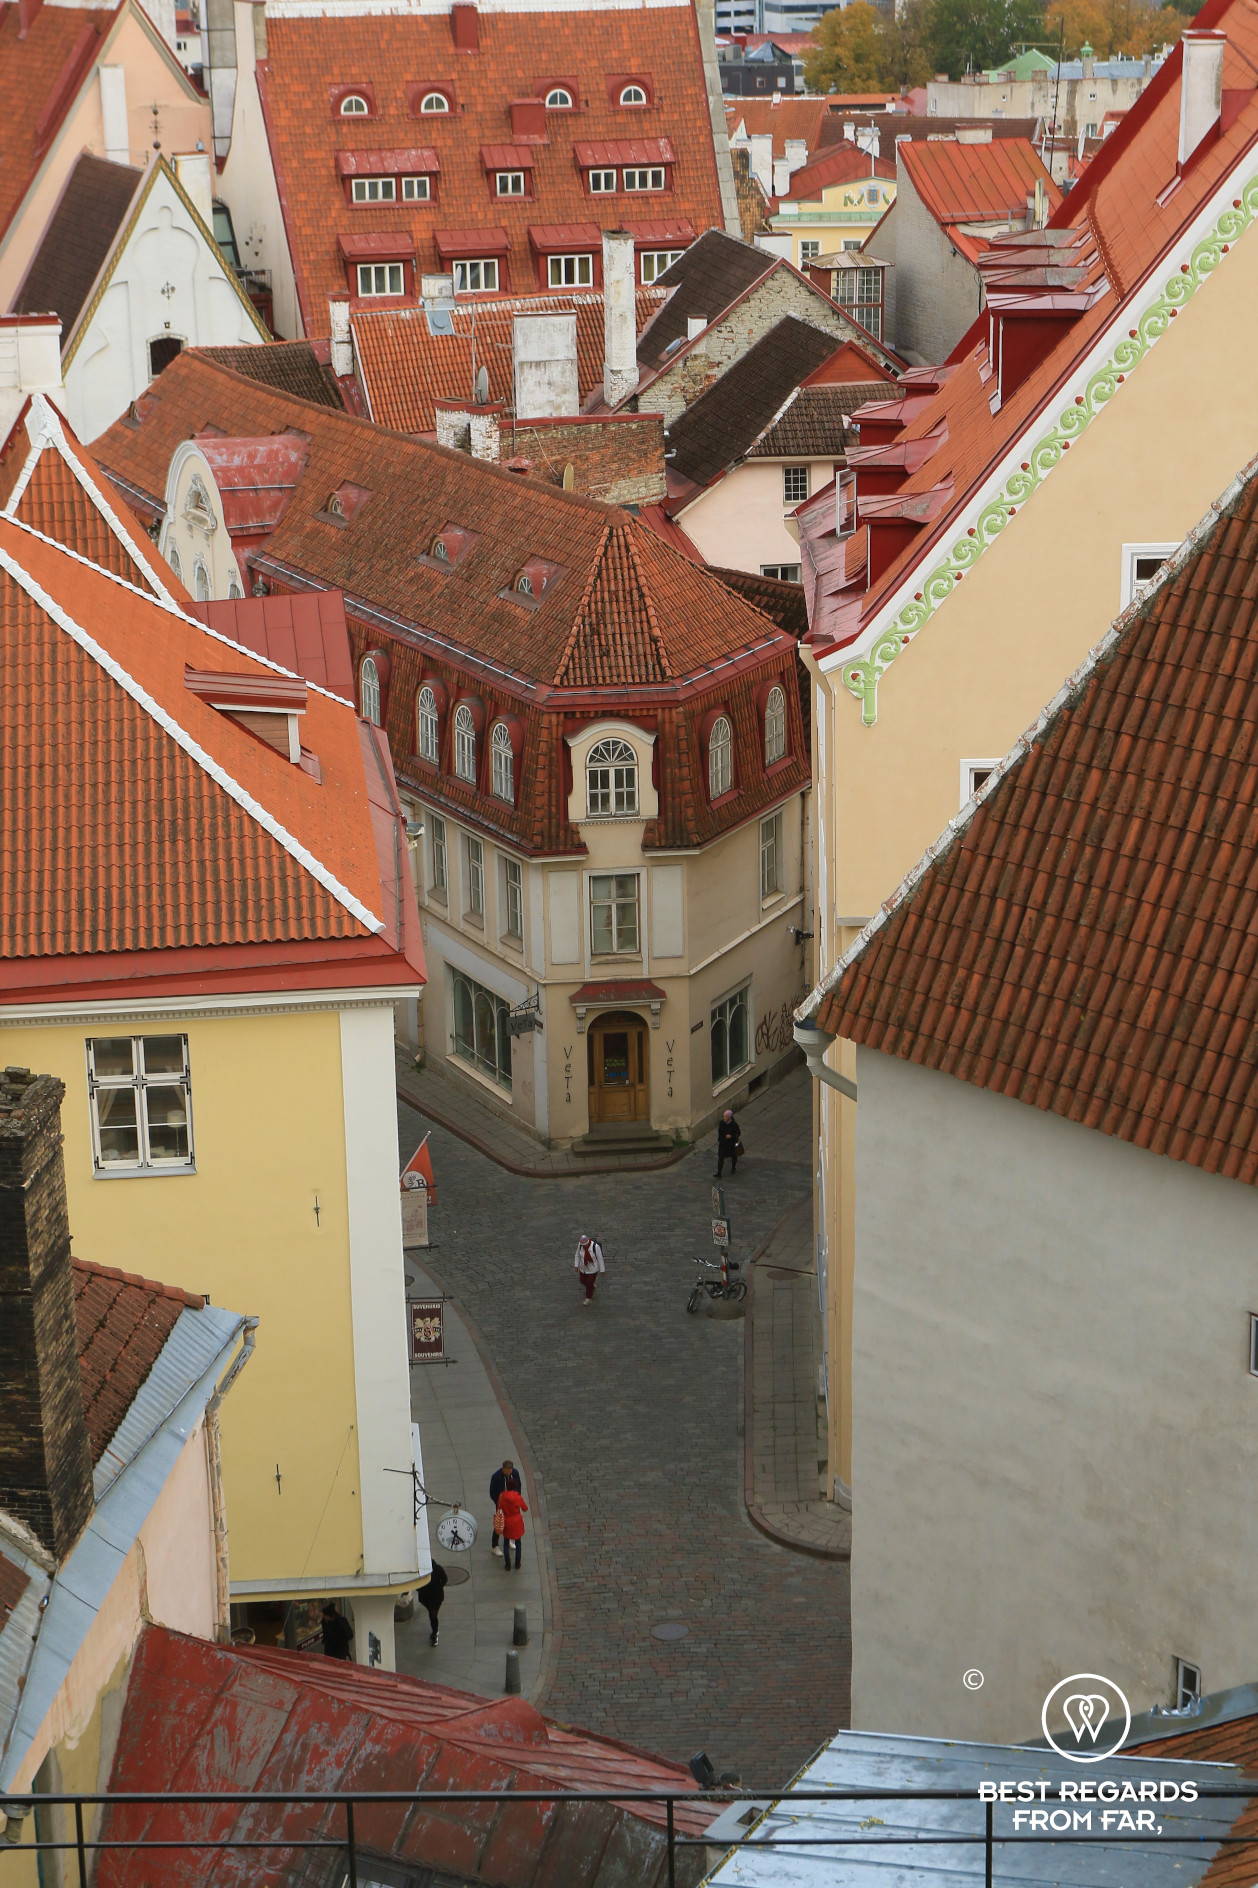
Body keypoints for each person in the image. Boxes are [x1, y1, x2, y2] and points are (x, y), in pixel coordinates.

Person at [489, 1459, 522, 1555]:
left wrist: (516, 1498)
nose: (509, 1472)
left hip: (512, 1504)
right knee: (499, 1524)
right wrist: (499, 1503)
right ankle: (494, 1546)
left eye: (510, 1470)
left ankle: (509, 1541)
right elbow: (492, 1492)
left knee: (510, 1523)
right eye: (508, 1471)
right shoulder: (496, 1477)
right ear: (503, 1469)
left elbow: (518, 1486)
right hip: (501, 1505)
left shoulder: (515, 1473)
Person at [497, 1483, 528, 1571]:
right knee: (518, 1542)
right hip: (517, 1522)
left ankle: (508, 1564)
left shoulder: (502, 1496)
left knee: (506, 1543)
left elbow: (499, 1508)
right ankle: (517, 1563)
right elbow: (525, 1508)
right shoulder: (518, 1497)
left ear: (507, 1487)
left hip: (506, 1521)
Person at [420, 1561, 448, 1647]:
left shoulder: (434, 1569)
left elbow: (445, 1579)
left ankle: (435, 1633)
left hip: (432, 1597)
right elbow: (445, 1580)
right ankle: (435, 1631)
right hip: (432, 1597)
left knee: (433, 1614)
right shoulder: (437, 1568)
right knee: (432, 1614)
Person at [574, 1233, 605, 1304]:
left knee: (588, 1284)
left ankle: (588, 1298)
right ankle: (592, 1286)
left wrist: (602, 1270)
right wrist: (576, 1265)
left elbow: (600, 1259)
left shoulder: (595, 1247)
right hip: (583, 1268)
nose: (583, 1247)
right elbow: (577, 1255)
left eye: (584, 1245)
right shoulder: (580, 1245)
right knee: (582, 1281)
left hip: (593, 1269)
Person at [715, 1108, 741, 1178]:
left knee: (733, 1156)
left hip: (731, 1144)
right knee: (721, 1157)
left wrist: (731, 1136)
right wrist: (721, 1139)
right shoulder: (721, 1123)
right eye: (723, 1116)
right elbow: (720, 1133)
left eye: (725, 1117)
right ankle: (719, 1173)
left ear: (729, 1117)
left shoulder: (734, 1124)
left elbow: (738, 1133)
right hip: (723, 1144)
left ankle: (733, 1167)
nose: (724, 1118)